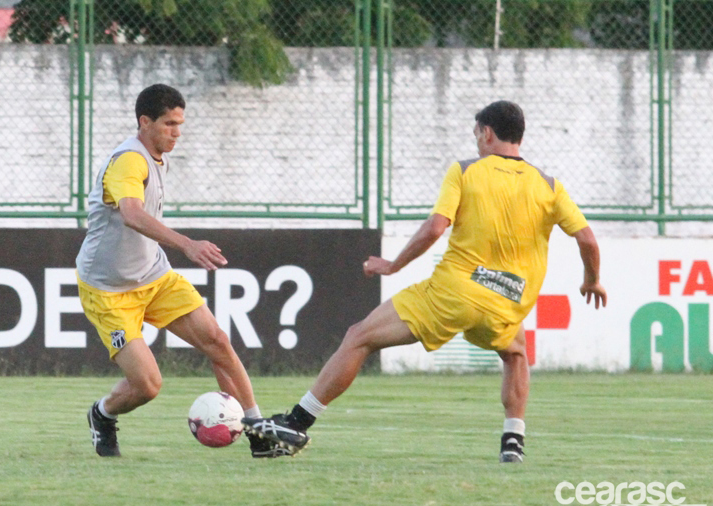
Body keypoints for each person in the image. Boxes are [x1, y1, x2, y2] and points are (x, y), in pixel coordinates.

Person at [243, 101, 607, 463]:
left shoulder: (466, 171)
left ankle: (297, 421)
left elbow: (436, 227)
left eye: (477, 134)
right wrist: (592, 281)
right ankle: (513, 440)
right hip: (509, 301)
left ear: (488, 133)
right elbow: (588, 239)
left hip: (454, 294)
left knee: (359, 336)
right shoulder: (549, 186)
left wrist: (393, 265)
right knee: (515, 354)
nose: (477, 142)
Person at [76, 84, 280, 458]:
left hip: (154, 277)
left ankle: (256, 430)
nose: (177, 132)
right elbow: (132, 214)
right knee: (148, 386)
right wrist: (187, 244)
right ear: (144, 122)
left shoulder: (157, 157)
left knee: (217, 341)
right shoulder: (128, 161)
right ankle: (102, 414)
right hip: (109, 290)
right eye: (169, 123)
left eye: (180, 123)